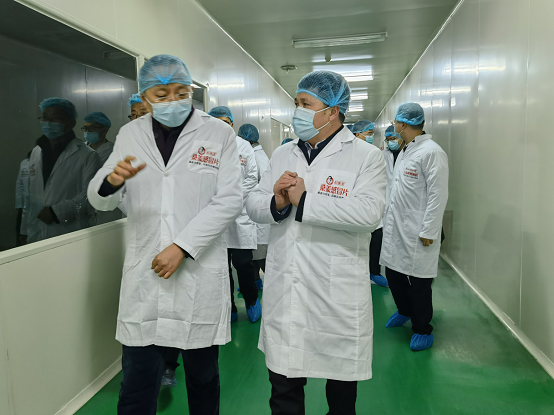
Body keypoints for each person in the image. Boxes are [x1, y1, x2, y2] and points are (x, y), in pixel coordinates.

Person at [87, 54, 243, 415]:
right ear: (145, 98)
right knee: (137, 384)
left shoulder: (218, 133)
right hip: (148, 275)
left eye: (181, 92)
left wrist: (182, 247)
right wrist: (112, 181)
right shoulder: (130, 134)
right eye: (161, 94)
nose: (173, 100)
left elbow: (230, 200)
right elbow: (100, 198)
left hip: (197, 272)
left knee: (203, 379)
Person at [246, 70, 386, 415]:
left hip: (336, 294)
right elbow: (253, 203)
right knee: (284, 394)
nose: (298, 111)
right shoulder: (282, 154)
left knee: (341, 398)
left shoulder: (365, 156)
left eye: (305, 104)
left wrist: (306, 201)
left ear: (333, 111)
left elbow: (369, 213)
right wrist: (278, 202)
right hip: (287, 290)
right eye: (297, 103)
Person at [380, 102, 449, 351]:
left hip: (419, 229)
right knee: (393, 273)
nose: (394, 126)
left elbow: (438, 195)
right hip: (397, 226)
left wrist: (430, 229)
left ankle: (422, 328)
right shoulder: (407, 150)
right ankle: (404, 310)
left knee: (419, 282)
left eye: (395, 122)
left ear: (403, 124)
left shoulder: (432, 152)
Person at [26, 98, 102, 243]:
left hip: (70, 231)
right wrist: (24, 230)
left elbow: (91, 195)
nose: (48, 123)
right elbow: (30, 195)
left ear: (70, 123)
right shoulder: (37, 151)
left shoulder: (88, 155)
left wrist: (56, 212)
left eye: (55, 119)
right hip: (36, 231)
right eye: (45, 118)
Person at [238, 123, 270, 287]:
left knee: (261, 256)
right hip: (251, 214)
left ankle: (269, 284)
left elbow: (264, 186)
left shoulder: (258, 157)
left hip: (257, 215)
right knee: (255, 255)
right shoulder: (255, 154)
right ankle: (256, 281)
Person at [15, 152, 32, 246]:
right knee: (20, 231)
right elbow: (19, 184)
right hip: (24, 204)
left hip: (36, 204)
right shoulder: (24, 163)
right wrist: (19, 205)